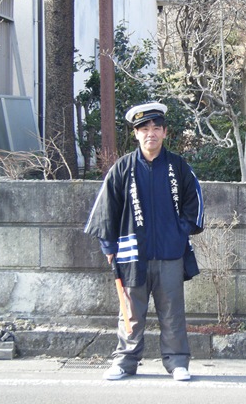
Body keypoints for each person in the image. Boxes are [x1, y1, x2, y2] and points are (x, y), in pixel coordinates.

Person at [84, 102, 204, 381]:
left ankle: (177, 362)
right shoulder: (122, 167)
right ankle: (125, 361)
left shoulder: (178, 167)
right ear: (136, 134)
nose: (151, 133)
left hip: (170, 253)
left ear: (165, 132)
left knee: (172, 311)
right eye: (144, 129)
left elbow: (195, 204)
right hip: (131, 253)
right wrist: (108, 246)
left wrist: (178, 232)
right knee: (130, 311)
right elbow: (106, 208)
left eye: (156, 128)